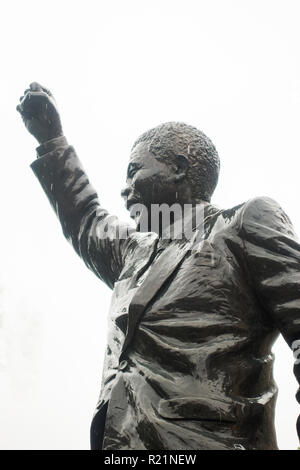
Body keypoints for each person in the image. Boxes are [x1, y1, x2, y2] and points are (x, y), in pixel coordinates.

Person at [17, 82, 300, 450]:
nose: (125, 188)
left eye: (134, 171)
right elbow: (85, 219)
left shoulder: (242, 224)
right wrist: (52, 139)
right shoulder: (134, 253)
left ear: (178, 168)